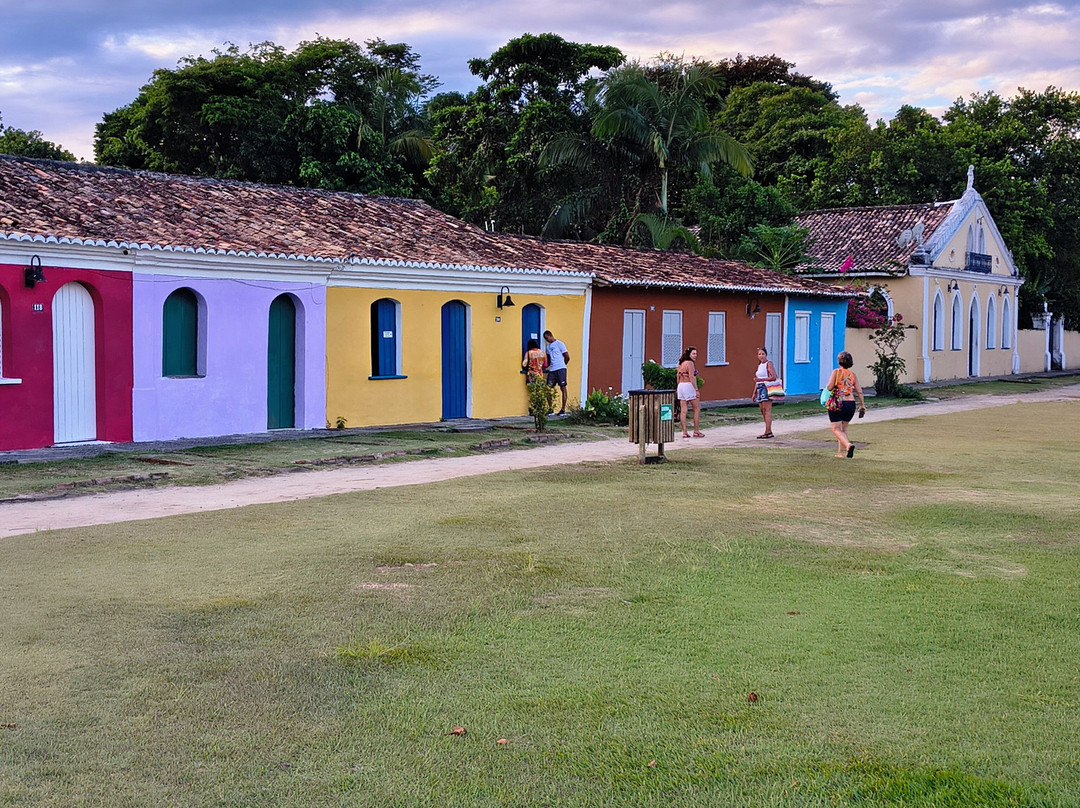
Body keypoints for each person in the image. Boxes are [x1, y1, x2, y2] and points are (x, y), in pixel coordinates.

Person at [825, 350, 866, 458]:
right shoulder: (853, 375)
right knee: (843, 429)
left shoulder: (836, 372)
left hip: (838, 402)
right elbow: (859, 391)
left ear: (839, 361)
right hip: (850, 403)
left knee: (835, 428)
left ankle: (848, 445)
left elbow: (829, 387)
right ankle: (840, 453)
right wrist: (862, 405)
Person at [676, 346, 704, 438]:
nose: (695, 355)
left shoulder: (681, 363)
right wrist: (696, 389)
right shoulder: (690, 363)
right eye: (693, 353)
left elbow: (677, 376)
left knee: (683, 410)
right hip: (688, 385)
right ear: (689, 354)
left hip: (681, 386)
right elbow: (692, 377)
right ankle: (696, 431)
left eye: (696, 353)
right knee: (696, 408)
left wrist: (678, 387)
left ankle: (684, 432)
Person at [752, 347, 778, 438]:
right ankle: (767, 430)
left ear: (766, 355)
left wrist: (762, 380)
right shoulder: (759, 365)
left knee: (767, 410)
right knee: (762, 410)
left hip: (765, 387)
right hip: (759, 387)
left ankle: (768, 431)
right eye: (759, 354)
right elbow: (757, 380)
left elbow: (773, 377)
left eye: (763, 354)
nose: (761, 356)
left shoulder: (768, 364)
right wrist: (754, 392)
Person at [543, 330, 570, 415]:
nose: (547, 340)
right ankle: (550, 408)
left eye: (547, 338)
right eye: (545, 339)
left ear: (550, 335)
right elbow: (549, 359)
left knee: (563, 388)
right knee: (548, 389)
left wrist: (562, 365)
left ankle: (563, 409)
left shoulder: (560, 344)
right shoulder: (548, 347)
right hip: (552, 370)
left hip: (561, 368)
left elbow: (567, 356)